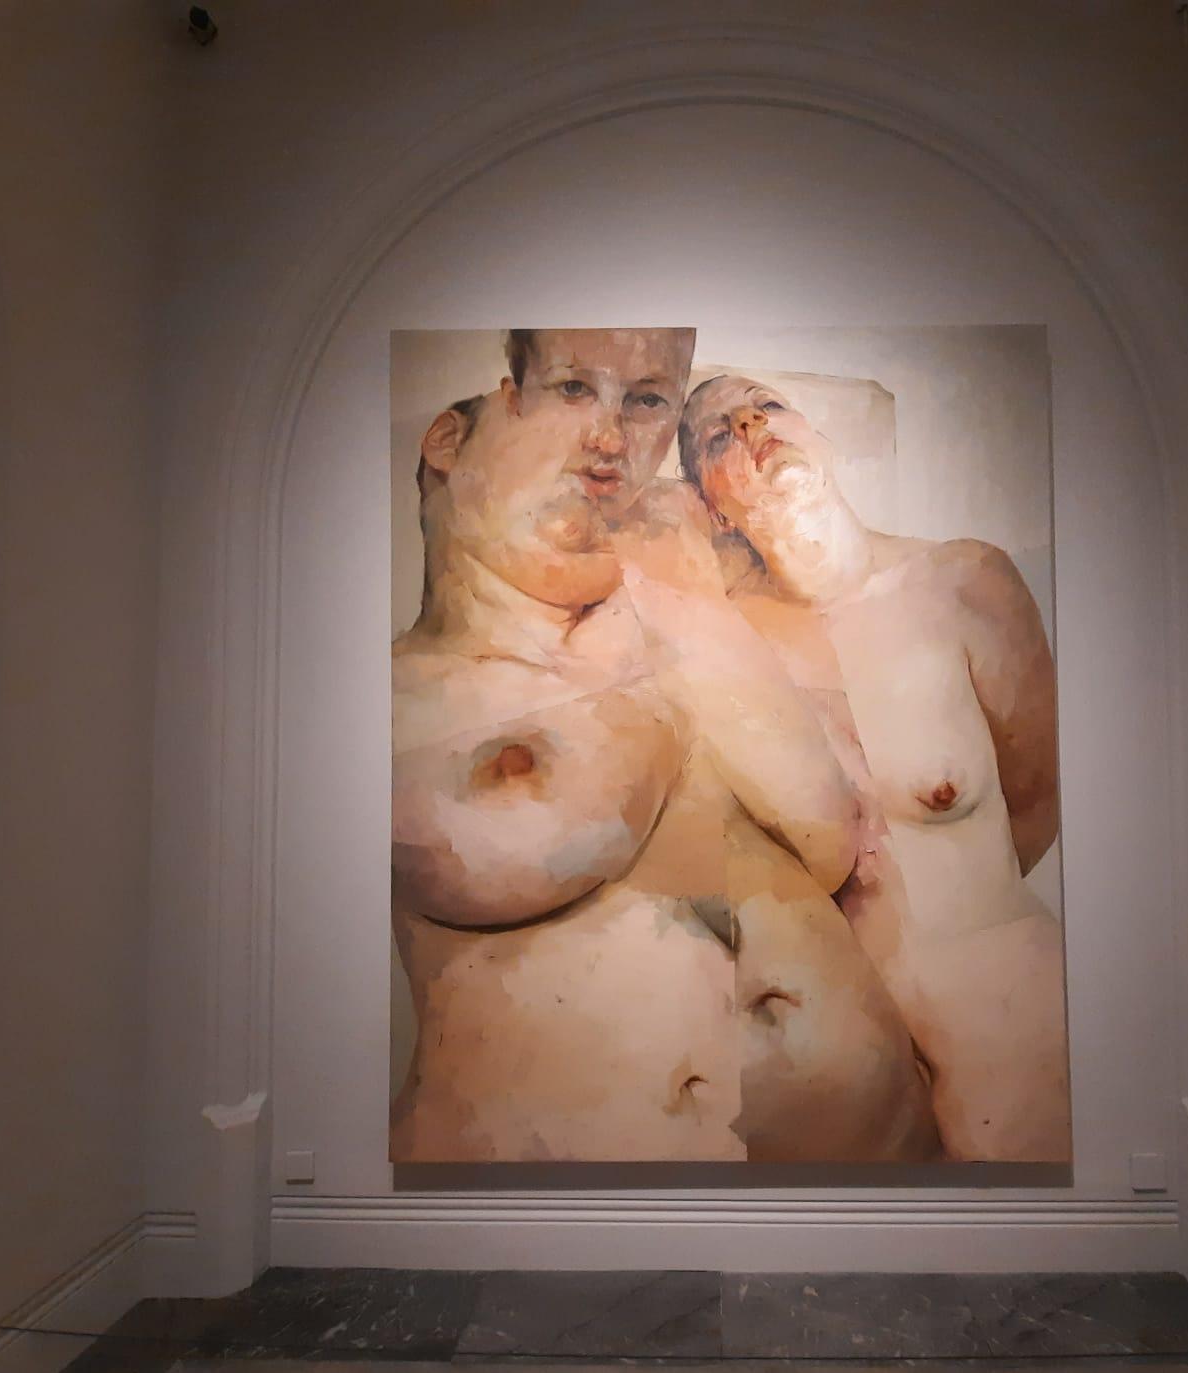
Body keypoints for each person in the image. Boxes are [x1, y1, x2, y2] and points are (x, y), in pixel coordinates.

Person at [390, 334, 936, 1161]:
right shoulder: (383, 694)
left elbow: (835, 834)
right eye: (567, 395)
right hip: (572, 1205)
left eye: (642, 405)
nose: (604, 444)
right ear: (448, 438)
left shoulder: (685, 606)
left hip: (890, 1150)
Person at [678, 374, 1069, 1163]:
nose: (749, 423)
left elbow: (1037, 798)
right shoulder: (727, 639)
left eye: (766, 405)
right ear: (713, 509)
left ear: (817, 437)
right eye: (718, 435)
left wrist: (953, 901)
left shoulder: (964, 581)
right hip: (853, 1072)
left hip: (1007, 1025)